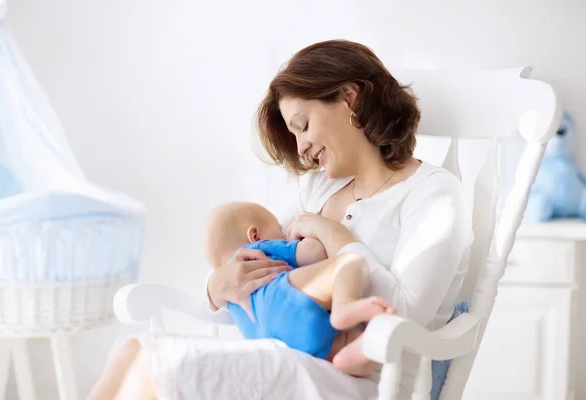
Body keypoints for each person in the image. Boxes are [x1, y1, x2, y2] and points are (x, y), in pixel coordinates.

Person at [88, 39, 473, 400]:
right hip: (287, 357)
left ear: (349, 98)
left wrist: (335, 235)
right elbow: (256, 256)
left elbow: (403, 317)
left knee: (158, 367)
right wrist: (216, 286)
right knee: (134, 351)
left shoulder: (433, 193)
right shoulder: (317, 191)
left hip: (359, 379)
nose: (301, 146)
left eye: (303, 125)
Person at [203, 200, 397, 376]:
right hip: (285, 297)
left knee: (360, 343)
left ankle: (346, 355)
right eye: (280, 229)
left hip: (271, 341)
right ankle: (344, 305)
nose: (283, 234)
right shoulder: (260, 248)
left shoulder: (229, 298)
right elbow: (315, 254)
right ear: (254, 235)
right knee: (350, 262)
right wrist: (308, 237)